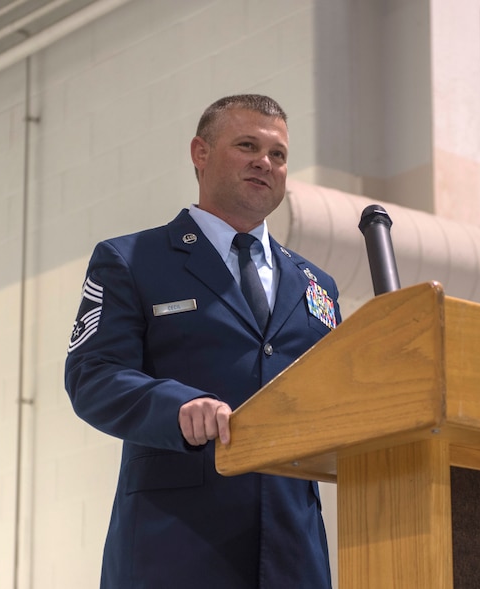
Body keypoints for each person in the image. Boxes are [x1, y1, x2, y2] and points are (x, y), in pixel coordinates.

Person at [64, 94, 340, 588]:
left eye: (278, 155)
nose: (265, 162)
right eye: (247, 145)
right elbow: (93, 375)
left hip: (294, 555)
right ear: (201, 152)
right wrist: (177, 407)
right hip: (174, 548)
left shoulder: (316, 285)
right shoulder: (133, 260)